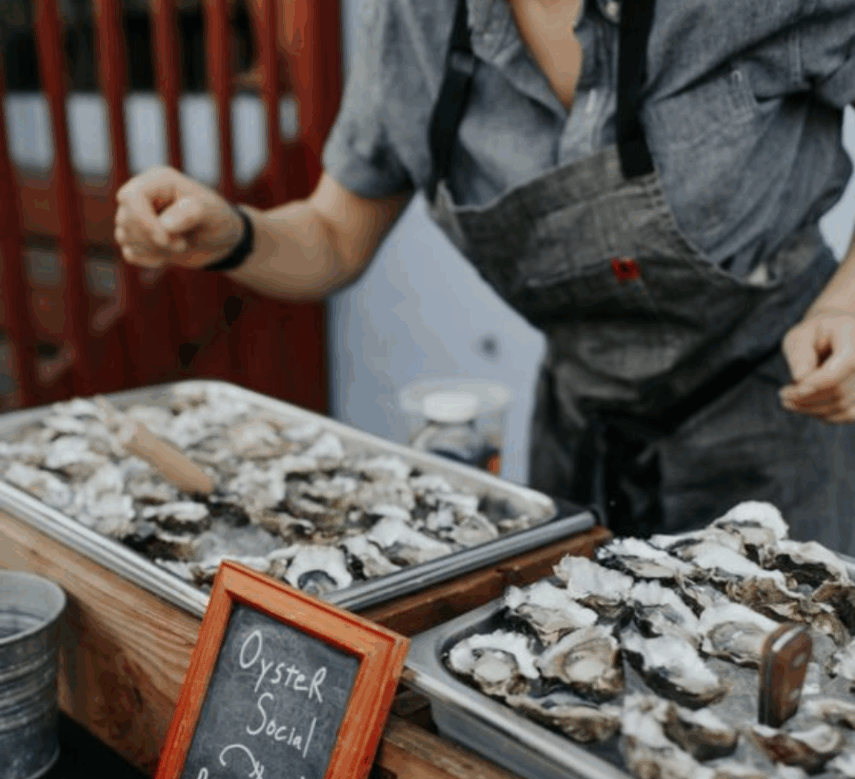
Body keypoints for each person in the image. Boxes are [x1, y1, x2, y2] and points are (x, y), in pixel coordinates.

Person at [114, 0, 855, 551]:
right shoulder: (415, 18)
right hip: (577, 431)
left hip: (784, 413)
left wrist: (846, 308)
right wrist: (232, 235)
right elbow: (335, 237)